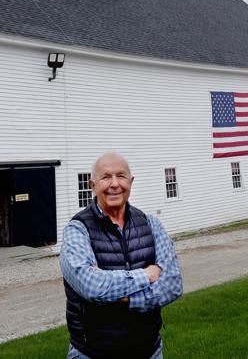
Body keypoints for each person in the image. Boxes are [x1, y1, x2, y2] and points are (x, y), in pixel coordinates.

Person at [60, 152, 183, 359]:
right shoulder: (77, 229)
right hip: (92, 353)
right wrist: (147, 275)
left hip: (149, 351)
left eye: (121, 176)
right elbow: (93, 286)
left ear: (131, 182)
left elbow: (173, 285)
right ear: (92, 184)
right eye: (106, 177)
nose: (114, 184)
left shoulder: (150, 223)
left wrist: (123, 297)